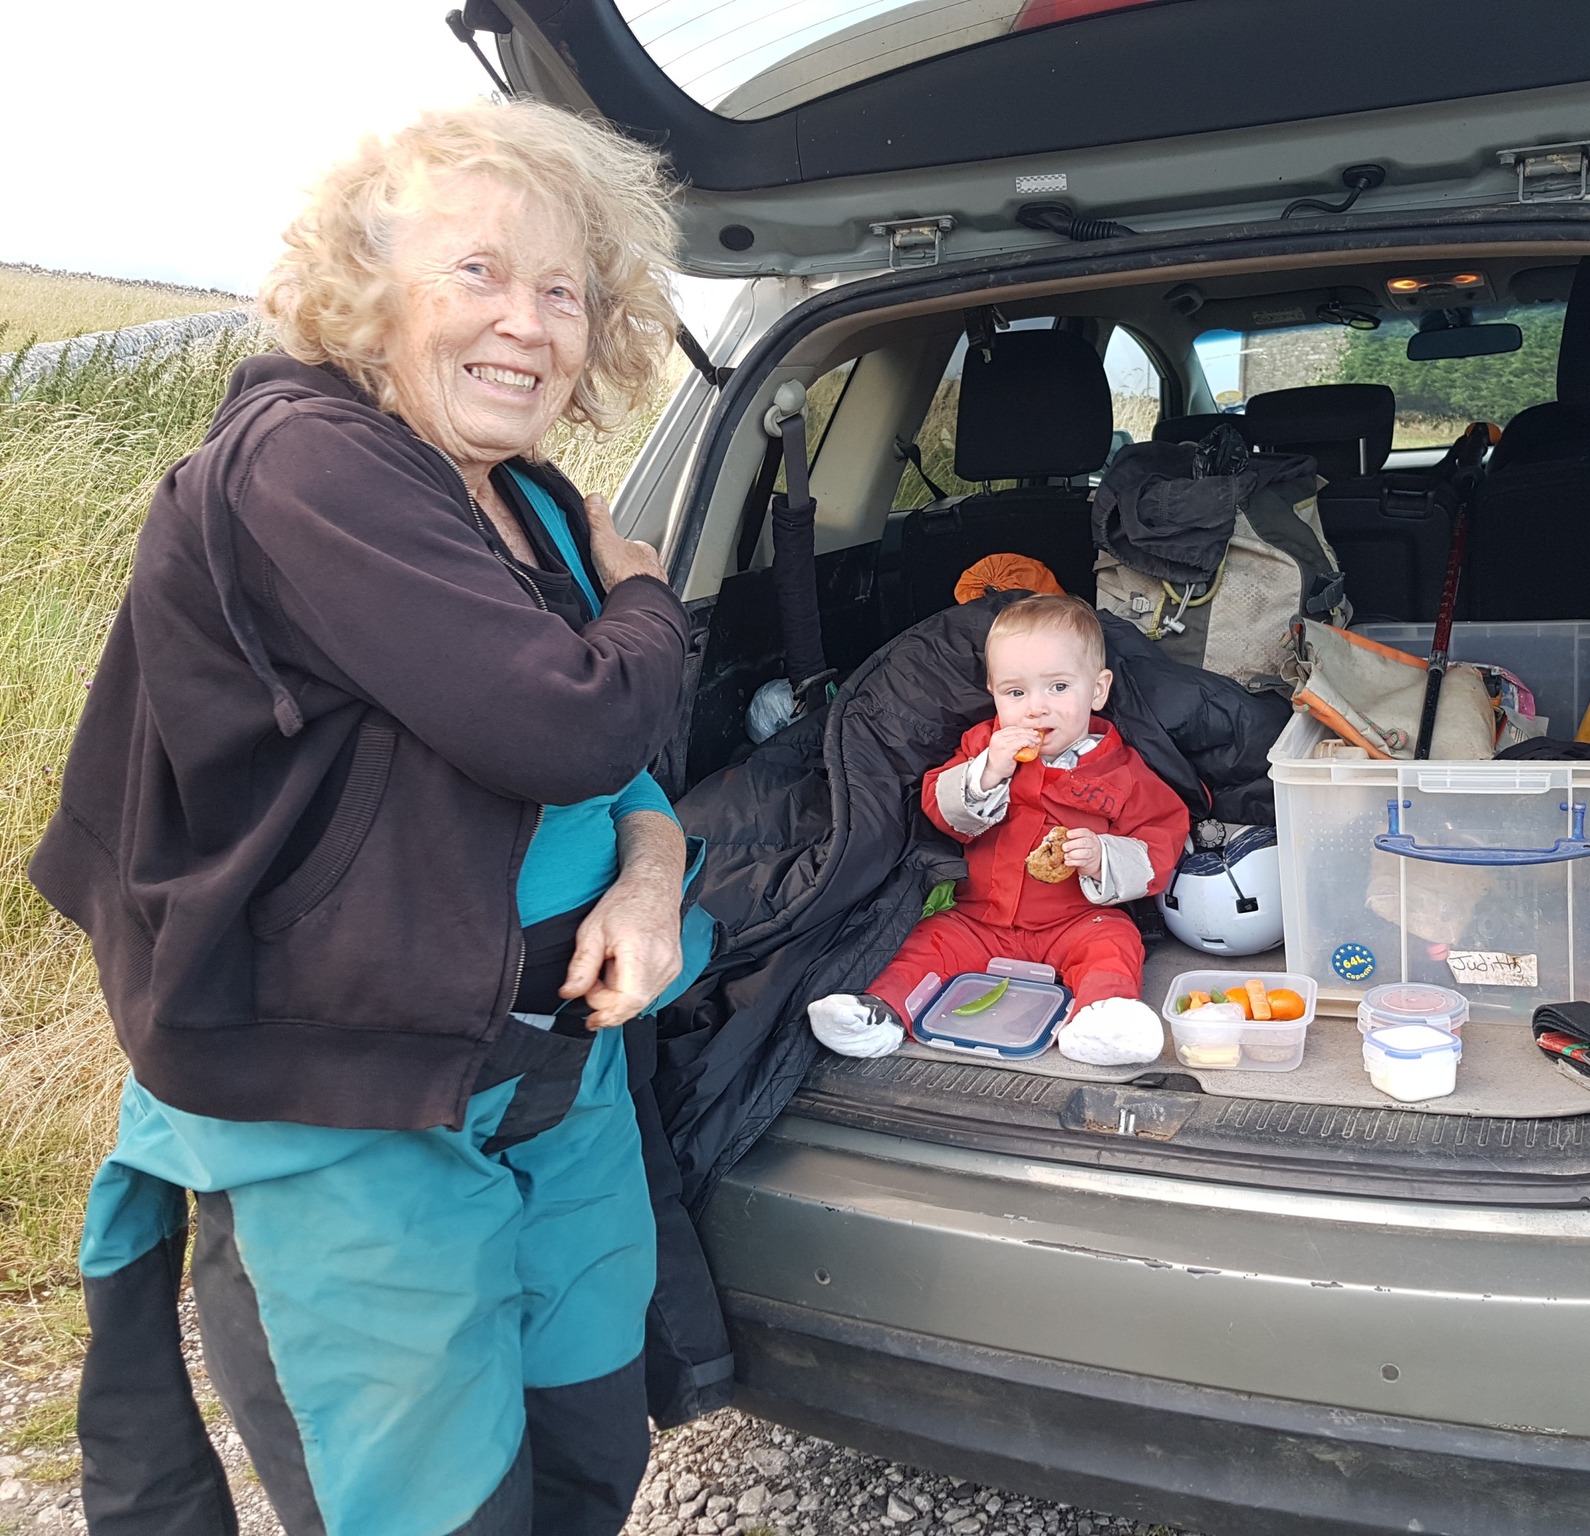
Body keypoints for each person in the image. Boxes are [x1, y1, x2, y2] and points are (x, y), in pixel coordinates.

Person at [30, 102, 714, 1536]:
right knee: (432, 1511)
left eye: (564, 291)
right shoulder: (308, 463)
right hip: (349, 1110)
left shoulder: (526, 500)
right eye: (478, 272)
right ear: (366, 289)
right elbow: (574, 720)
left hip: (553, 1083)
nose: (526, 323)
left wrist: (650, 882)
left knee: (586, 1459)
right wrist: (650, 595)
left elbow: (620, 776)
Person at [807, 595, 1189, 1062]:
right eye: (1015, 693)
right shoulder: (983, 746)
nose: (1036, 709)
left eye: (1058, 687)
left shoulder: (1123, 770)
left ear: (1097, 690)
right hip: (979, 918)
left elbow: (1160, 839)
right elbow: (938, 808)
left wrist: (1102, 855)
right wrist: (987, 772)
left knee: (1116, 942)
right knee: (928, 940)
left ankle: (1102, 1020)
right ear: (993, 693)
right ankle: (880, 1013)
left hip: (1075, 922)